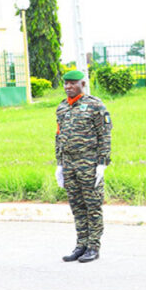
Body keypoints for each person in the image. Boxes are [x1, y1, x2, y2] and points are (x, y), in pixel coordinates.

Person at [55, 70, 112, 263]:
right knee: (77, 206)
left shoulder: (95, 105)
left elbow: (104, 135)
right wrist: (59, 164)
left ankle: (93, 246)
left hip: (89, 163)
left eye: (72, 83)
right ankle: (81, 244)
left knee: (92, 206)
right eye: (66, 84)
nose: (68, 87)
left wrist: (102, 163)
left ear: (83, 84)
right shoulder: (62, 108)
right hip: (69, 163)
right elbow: (58, 137)